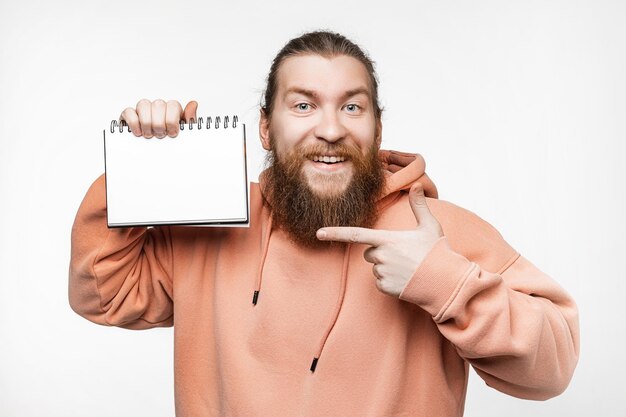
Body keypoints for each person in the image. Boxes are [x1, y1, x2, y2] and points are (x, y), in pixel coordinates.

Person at [69, 31, 579, 416]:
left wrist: (441, 281)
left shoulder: (440, 230)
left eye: (352, 107)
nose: (331, 129)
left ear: (376, 128)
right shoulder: (211, 223)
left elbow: (550, 370)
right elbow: (103, 296)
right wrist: (140, 169)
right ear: (267, 128)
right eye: (304, 105)